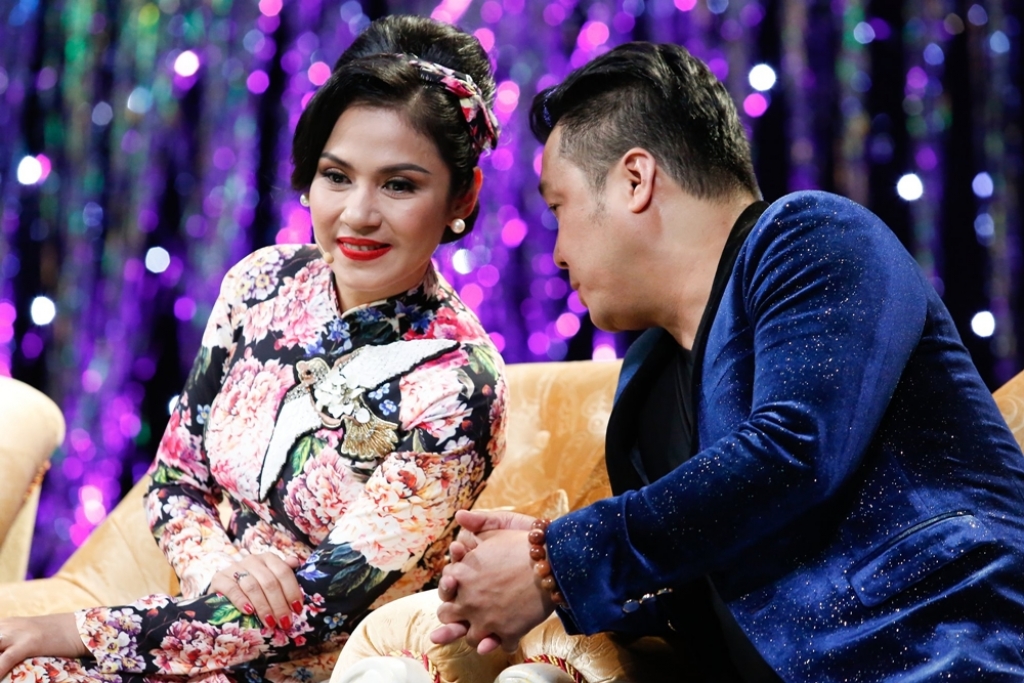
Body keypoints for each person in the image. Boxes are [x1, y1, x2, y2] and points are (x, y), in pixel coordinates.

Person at [426, 41, 1024, 682]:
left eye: (558, 208)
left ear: (635, 180)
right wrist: (542, 558)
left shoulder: (812, 235)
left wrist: (559, 559)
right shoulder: (649, 382)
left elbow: (793, 452)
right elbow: (698, 594)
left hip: (950, 654)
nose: (557, 253)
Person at [0, 14, 507, 683]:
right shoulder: (262, 282)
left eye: (399, 184)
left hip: (325, 667)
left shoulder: (460, 382)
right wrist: (220, 568)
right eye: (336, 175)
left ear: (462, 195)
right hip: (182, 634)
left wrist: (77, 631)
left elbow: (318, 608)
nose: (357, 213)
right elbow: (175, 479)